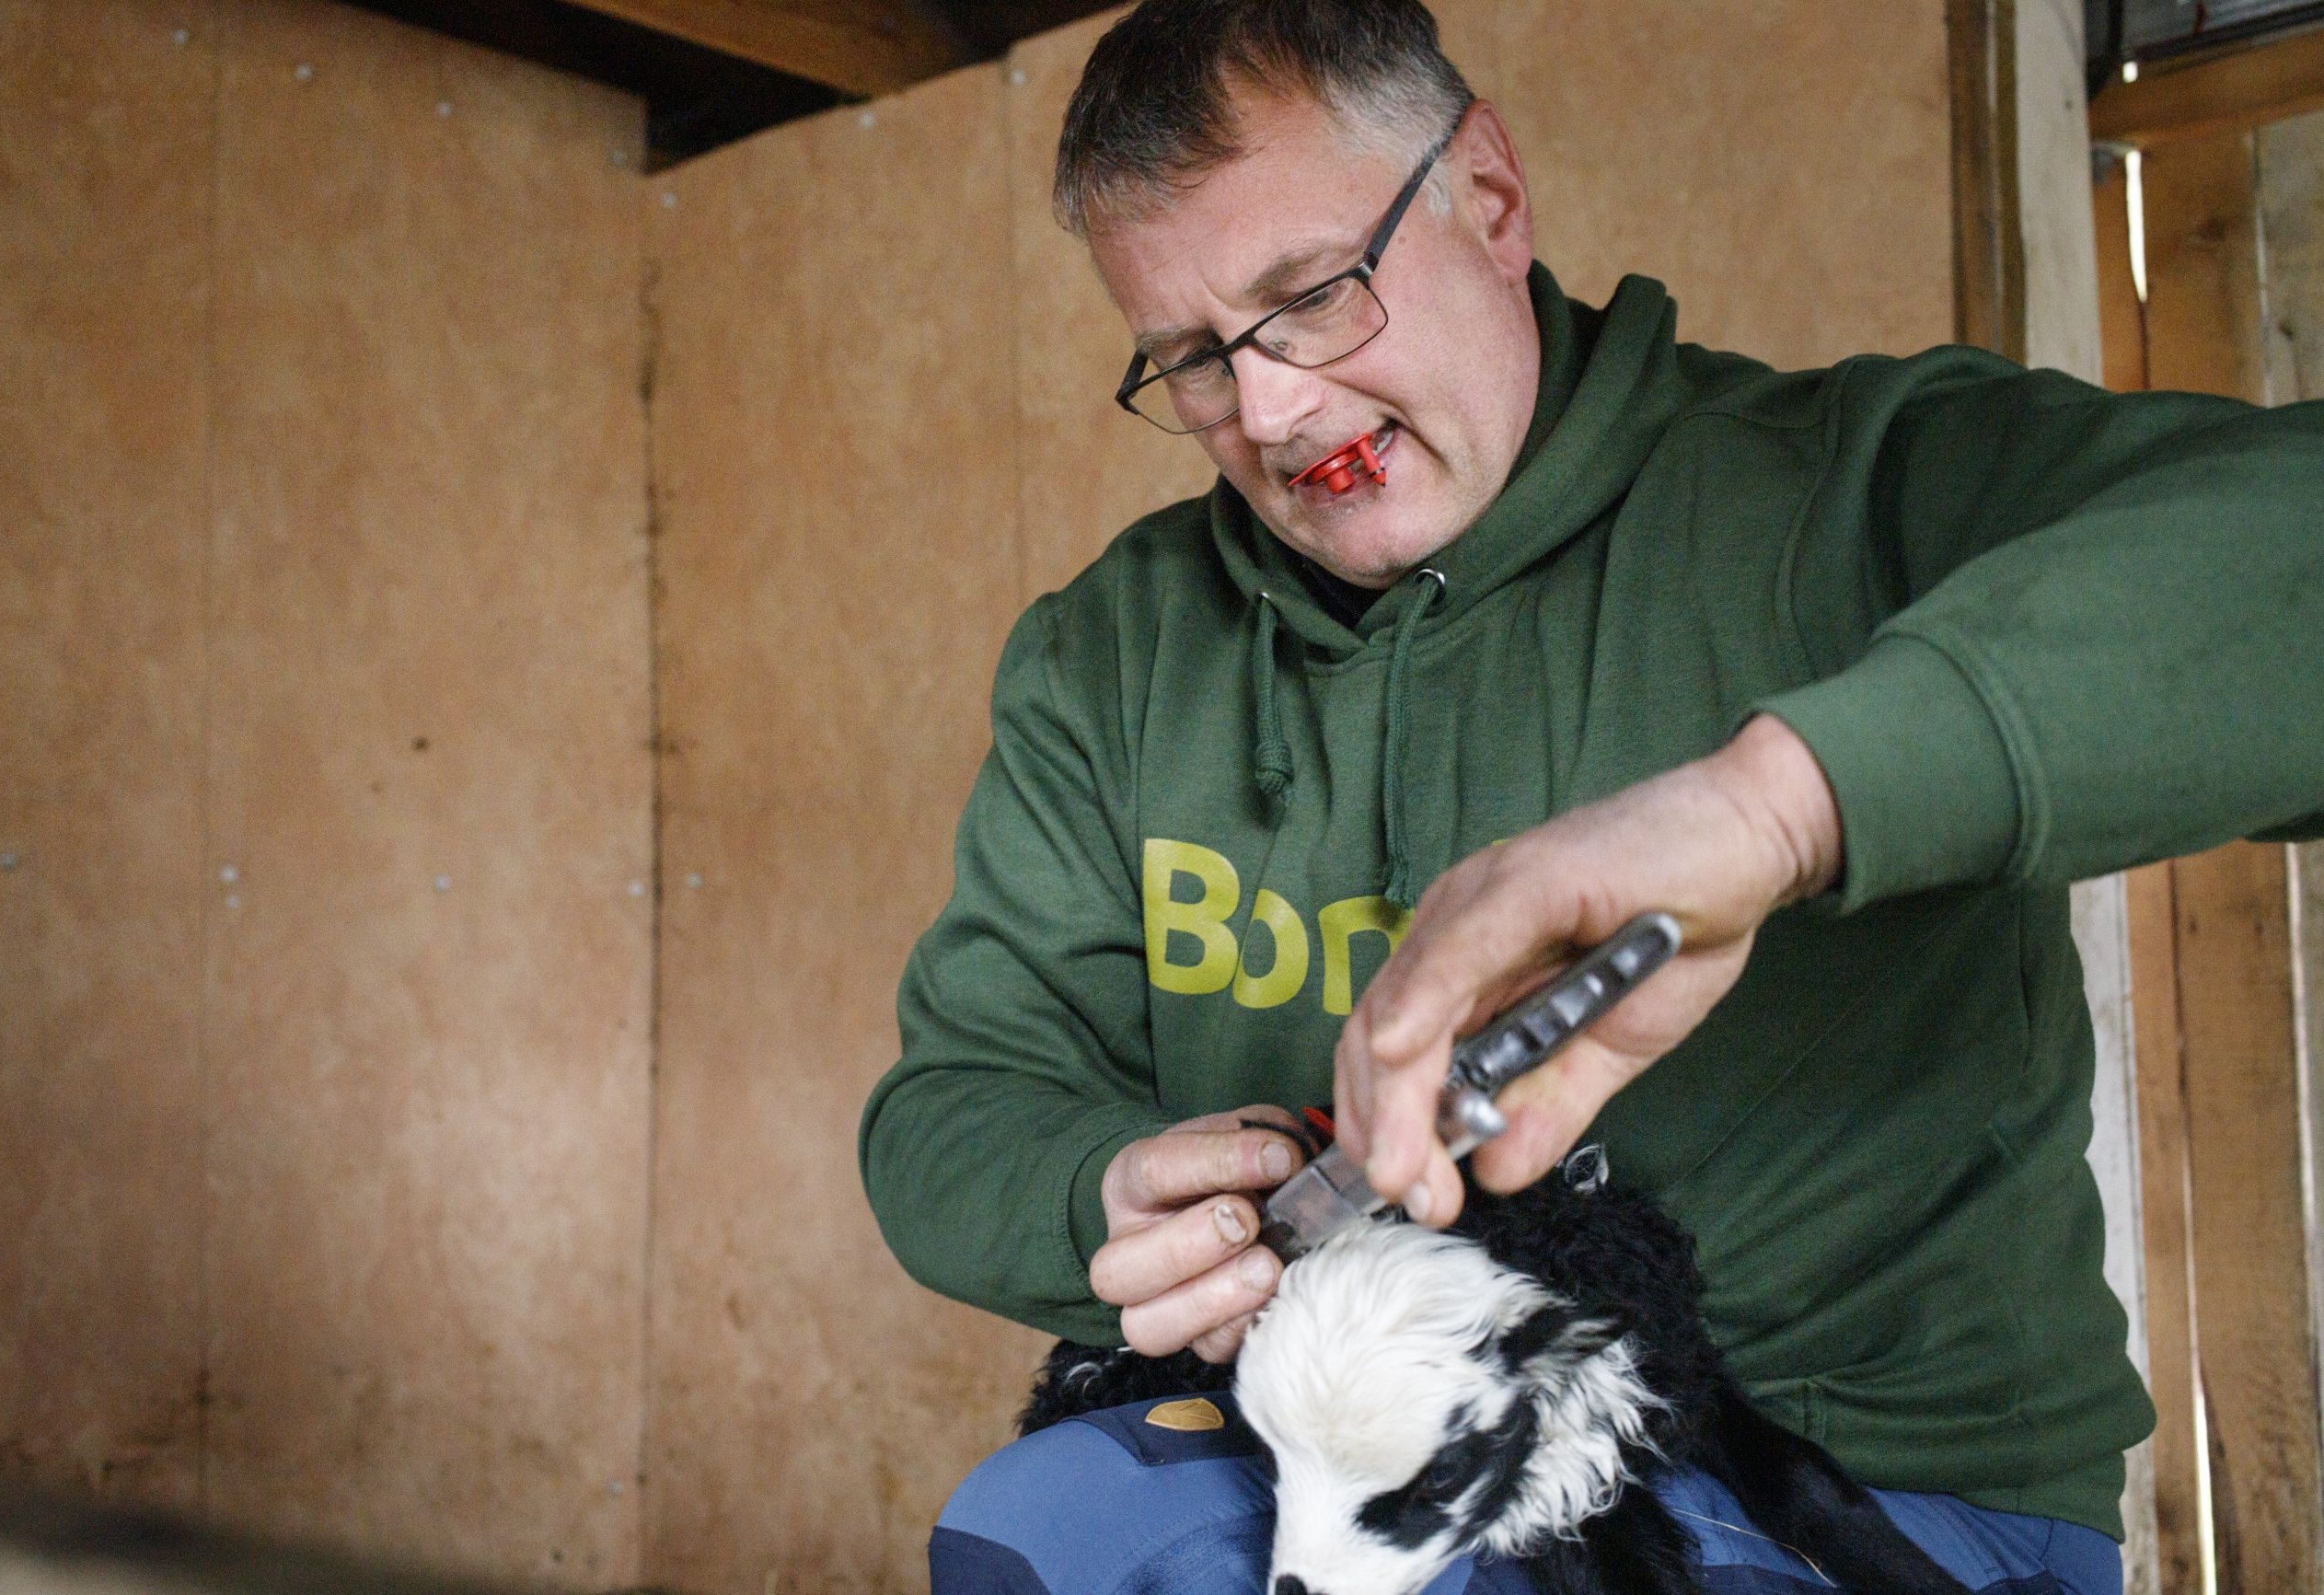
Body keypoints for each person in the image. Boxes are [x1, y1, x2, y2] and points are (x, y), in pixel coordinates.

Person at [857, 2, 2324, 1589]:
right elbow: (946, 1116)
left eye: (1312, 300)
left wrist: (1783, 808)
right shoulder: (1108, 654)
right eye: (1194, 361)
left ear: (1488, 195)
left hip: (1857, 1478)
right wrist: (1097, 1193)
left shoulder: (1853, 487)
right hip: (1347, 1456)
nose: (1269, 413)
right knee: (1032, 1535)